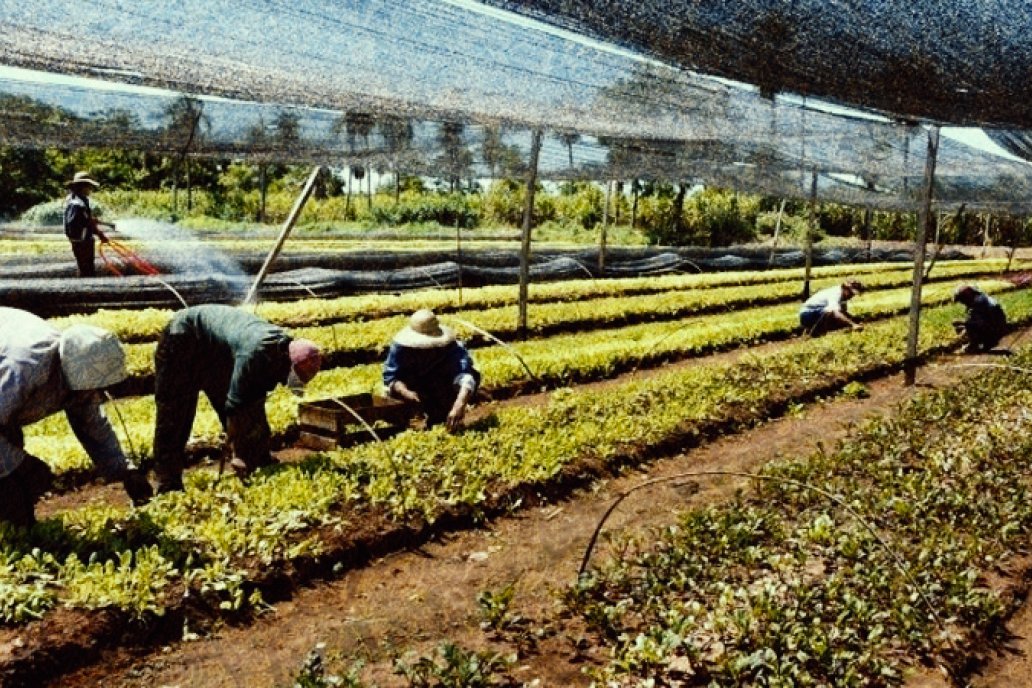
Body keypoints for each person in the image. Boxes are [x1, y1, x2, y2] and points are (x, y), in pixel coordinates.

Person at [0, 307, 152, 527]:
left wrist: (125, 471)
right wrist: (18, 463)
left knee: (20, 482)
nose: (95, 395)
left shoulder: (79, 373)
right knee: (16, 482)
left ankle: (18, 529)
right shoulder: (24, 369)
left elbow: (92, 425)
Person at [152, 305, 322, 494]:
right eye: (289, 377)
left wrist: (254, 450)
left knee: (248, 402)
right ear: (287, 362)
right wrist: (238, 452)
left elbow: (254, 400)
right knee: (175, 415)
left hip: (212, 349)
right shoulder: (255, 353)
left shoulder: (280, 350)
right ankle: (168, 483)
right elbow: (235, 404)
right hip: (182, 338)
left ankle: (258, 460)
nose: (284, 382)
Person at [383, 309, 480, 431]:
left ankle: (440, 414)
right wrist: (405, 392)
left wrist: (459, 404)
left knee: (442, 413)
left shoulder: (451, 346)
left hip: (438, 383)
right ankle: (408, 421)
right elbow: (390, 376)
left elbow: (465, 376)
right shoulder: (400, 348)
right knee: (395, 399)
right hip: (413, 386)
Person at [64, 171, 115, 277]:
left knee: (84, 267)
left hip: (81, 240)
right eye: (89, 187)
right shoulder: (77, 204)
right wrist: (100, 233)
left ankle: (84, 289)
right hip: (82, 242)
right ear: (82, 187)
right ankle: (84, 290)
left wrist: (94, 224)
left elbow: (86, 220)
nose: (90, 189)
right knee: (86, 269)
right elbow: (83, 222)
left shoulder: (77, 200)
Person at [953, 284, 1007, 353]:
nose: (963, 303)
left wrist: (962, 322)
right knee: (967, 325)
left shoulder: (978, 303)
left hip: (994, 329)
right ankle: (987, 344)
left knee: (967, 325)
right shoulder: (981, 298)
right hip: (997, 327)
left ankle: (974, 345)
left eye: (962, 300)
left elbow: (979, 323)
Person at [799, 279, 864, 336]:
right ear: (846, 289)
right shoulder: (836, 293)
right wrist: (853, 324)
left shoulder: (842, 296)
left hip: (816, 313)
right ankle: (815, 330)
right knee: (831, 312)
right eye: (851, 294)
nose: (851, 296)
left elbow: (843, 312)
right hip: (807, 315)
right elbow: (836, 312)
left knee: (841, 318)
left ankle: (815, 328)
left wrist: (854, 320)